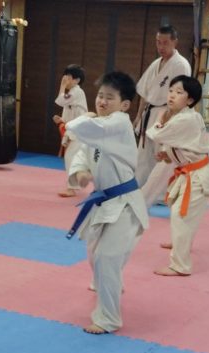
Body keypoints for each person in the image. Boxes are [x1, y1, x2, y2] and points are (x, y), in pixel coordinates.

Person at [65, 71, 149, 335]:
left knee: (107, 257)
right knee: (95, 254)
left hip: (125, 203)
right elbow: (82, 153)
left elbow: (81, 129)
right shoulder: (101, 126)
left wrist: (86, 117)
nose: (101, 101)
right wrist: (80, 173)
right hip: (105, 203)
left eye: (109, 97)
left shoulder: (119, 123)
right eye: (100, 95)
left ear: (124, 104)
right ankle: (111, 282)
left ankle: (108, 319)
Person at [147, 75, 209, 276]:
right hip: (190, 172)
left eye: (179, 92)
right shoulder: (186, 116)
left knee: (180, 215)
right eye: (171, 91)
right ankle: (181, 243)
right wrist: (169, 155)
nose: (172, 95)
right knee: (178, 208)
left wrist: (159, 121)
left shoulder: (185, 119)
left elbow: (157, 135)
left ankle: (180, 266)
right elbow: (187, 145)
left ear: (190, 100)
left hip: (197, 175)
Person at [134, 25, 192, 186]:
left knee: (161, 156)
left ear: (175, 42)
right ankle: (139, 187)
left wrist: (170, 119)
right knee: (143, 154)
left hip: (166, 113)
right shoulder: (156, 63)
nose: (161, 46)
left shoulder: (180, 65)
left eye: (165, 43)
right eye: (158, 42)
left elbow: (181, 96)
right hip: (149, 113)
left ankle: (159, 192)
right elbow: (144, 92)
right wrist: (139, 116)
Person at [53, 64, 89, 198]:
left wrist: (62, 86)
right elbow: (68, 112)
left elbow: (60, 101)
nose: (65, 79)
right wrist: (61, 120)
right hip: (74, 131)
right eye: (65, 76)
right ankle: (78, 182)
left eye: (68, 77)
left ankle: (72, 188)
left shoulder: (77, 92)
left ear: (77, 80)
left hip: (80, 131)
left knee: (70, 157)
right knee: (74, 158)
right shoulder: (72, 93)